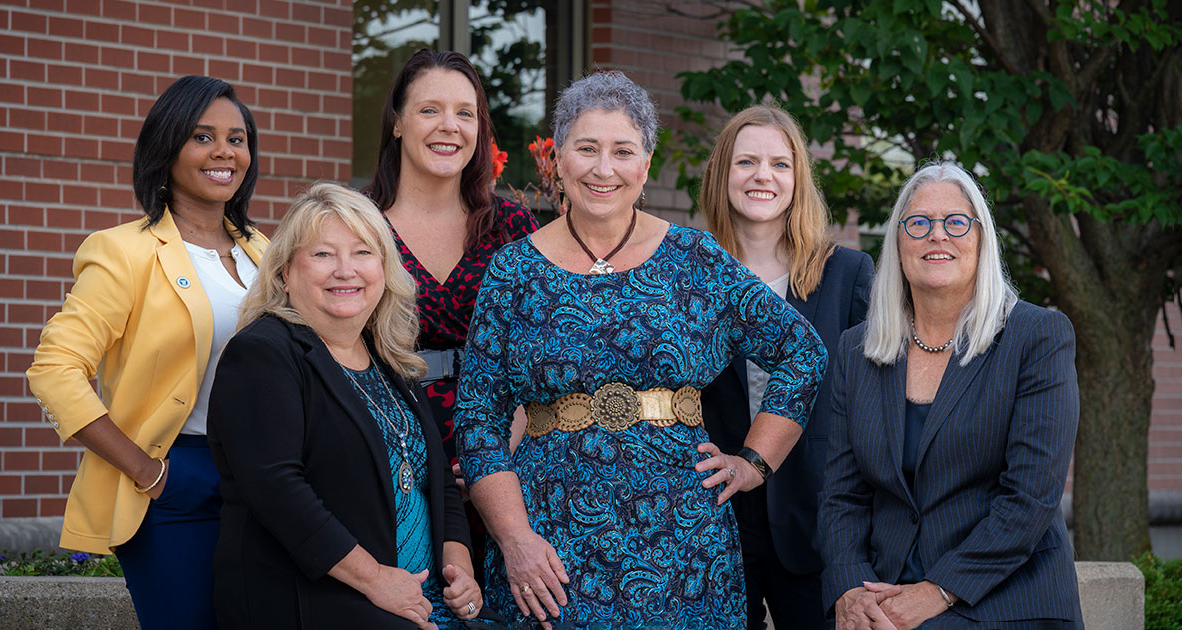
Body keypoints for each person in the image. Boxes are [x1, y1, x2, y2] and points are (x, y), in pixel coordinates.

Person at [454, 71, 828, 629]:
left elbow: (802, 350)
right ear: (558, 161)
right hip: (549, 549)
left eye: (622, 151)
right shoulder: (514, 271)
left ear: (645, 165)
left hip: (684, 543)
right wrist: (515, 539)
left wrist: (753, 462)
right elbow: (479, 419)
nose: (604, 169)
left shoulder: (696, 261)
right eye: (587, 149)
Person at [25, 75, 265, 629]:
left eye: (237, 137)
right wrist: (150, 472)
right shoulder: (122, 252)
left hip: (262, 479)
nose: (224, 152)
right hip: (174, 479)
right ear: (168, 146)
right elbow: (54, 370)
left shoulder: (266, 251)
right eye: (203, 137)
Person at [206, 182, 491, 630]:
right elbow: (278, 491)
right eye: (322, 255)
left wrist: (461, 570)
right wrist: (376, 579)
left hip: (418, 598)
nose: (345, 270)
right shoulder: (263, 353)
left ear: (383, 268)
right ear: (285, 272)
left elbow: (435, 479)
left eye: (362, 252)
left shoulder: (390, 361)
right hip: (319, 601)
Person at [819, 162, 1083, 629]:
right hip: (888, 592)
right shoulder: (857, 349)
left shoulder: (1037, 336)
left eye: (956, 222)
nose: (937, 235)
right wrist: (851, 589)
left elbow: (1030, 499)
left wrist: (939, 590)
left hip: (1006, 595)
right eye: (918, 223)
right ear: (898, 242)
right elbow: (842, 495)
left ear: (981, 239)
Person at [698, 104, 874, 630]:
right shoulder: (689, 271)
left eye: (779, 164)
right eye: (746, 161)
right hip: (716, 512)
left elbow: (871, 401)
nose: (762, 176)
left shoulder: (848, 273)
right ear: (722, 174)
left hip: (819, 515)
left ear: (798, 179)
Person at [363, 49, 538, 475]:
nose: (450, 126)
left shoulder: (513, 227)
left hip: (502, 450)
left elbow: (538, 350)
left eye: (465, 112)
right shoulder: (357, 224)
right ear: (398, 122)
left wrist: (496, 458)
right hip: (385, 451)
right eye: (429, 110)